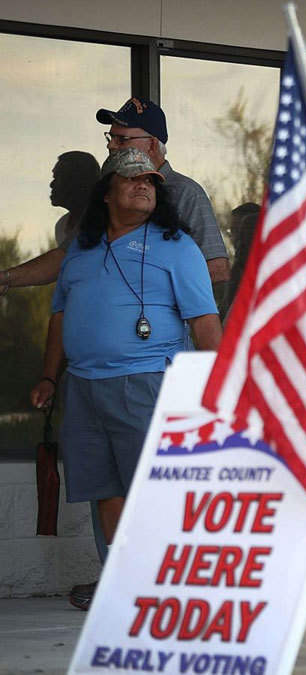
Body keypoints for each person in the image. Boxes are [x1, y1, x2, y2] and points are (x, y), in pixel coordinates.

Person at [28, 149, 221, 609]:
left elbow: (205, 321)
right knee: (105, 489)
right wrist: (50, 377)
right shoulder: (81, 248)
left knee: (154, 491)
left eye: (150, 181)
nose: (143, 186)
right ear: (107, 193)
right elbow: (60, 316)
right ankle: (124, 582)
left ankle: (170, 587)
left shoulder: (177, 246)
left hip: (148, 382)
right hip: (83, 387)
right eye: (132, 179)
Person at [2, 97, 230, 291]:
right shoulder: (108, 191)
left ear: (152, 145)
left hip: (159, 329)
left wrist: (144, 296)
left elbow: (217, 269)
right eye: (110, 137)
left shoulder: (185, 192)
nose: (111, 145)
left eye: (122, 139)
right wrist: (8, 278)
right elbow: (66, 256)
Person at [50, 151, 101, 247]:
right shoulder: (61, 225)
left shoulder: (109, 222)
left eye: (58, 178)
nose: (51, 184)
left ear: (77, 182)